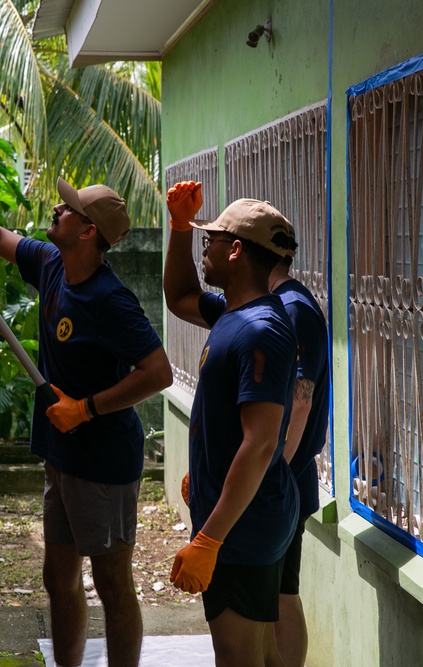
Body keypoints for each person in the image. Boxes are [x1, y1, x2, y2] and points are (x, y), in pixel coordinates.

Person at [0, 178, 172, 667]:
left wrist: (85, 408)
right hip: (60, 453)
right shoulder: (51, 264)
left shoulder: (111, 300)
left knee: (112, 583)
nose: (56, 208)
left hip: (104, 461)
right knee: (58, 576)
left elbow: (159, 372)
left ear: (88, 232)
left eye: (66, 209)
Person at [163, 181, 299, 667]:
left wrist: (208, 539)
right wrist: (179, 228)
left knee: (239, 658)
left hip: (245, 524)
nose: (205, 246)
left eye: (211, 240)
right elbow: (179, 295)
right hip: (246, 515)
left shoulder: (259, 330)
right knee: (260, 655)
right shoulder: (232, 315)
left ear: (236, 251)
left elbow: (261, 444)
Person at [267, 228, 330, 667]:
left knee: (281, 594)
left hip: (282, 479)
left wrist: (269, 476)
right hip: (281, 476)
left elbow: (301, 403)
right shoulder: (279, 304)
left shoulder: (292, 309)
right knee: (271, 595)